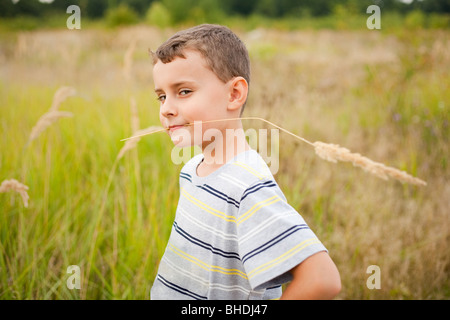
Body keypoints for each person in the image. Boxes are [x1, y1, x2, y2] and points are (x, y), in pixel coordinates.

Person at [150, 24, 341, 300]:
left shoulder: (246, 186)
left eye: (183, 92)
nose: (166, 108)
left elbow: (322, 278)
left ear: (235, 94)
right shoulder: (191, 170)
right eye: (161, 96)